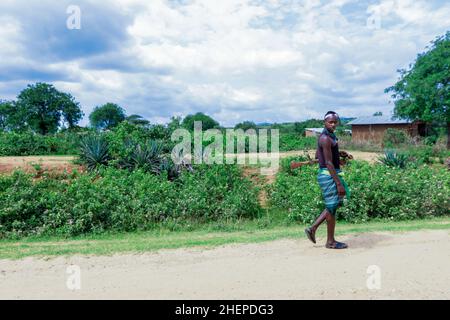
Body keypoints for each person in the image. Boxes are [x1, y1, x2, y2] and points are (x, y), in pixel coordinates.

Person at [304, 111, 350, 249]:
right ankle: (324, 237)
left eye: (335, 122)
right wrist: (338, 184)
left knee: (332, 206)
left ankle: (317, 231)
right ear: (324, 122)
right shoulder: (325, 138)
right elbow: (328, 163)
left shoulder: (330, 136)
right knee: (332, 206)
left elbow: (319, 154)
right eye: (330, 122)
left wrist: (338, 154)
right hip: (329, 175)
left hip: (330, 173)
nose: (333, 124)